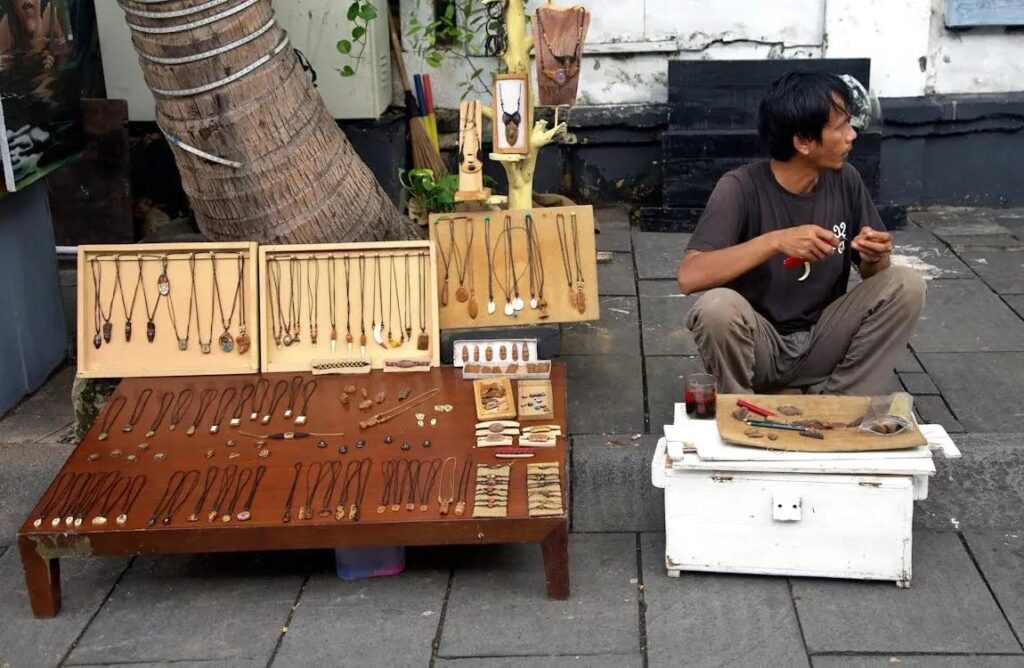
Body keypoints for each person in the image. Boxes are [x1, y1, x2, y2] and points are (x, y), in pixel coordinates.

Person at [677, 71, 925, 396]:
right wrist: (775, 241)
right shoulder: (739, 188)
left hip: (821, 340)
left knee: (906, 284)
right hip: (760, 347)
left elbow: (874, 274)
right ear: (803, 142)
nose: (852, 136)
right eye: (840, 127)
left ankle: (839, 404)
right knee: (716, 308)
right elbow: (689, 276)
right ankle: (739, 410)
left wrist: (874, 256)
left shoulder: (845, 179)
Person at [0, 0, 67, 70]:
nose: (27, 1)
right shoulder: (6, 28)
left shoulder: (50, 16)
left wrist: (53, 65)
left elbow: (64, 55)